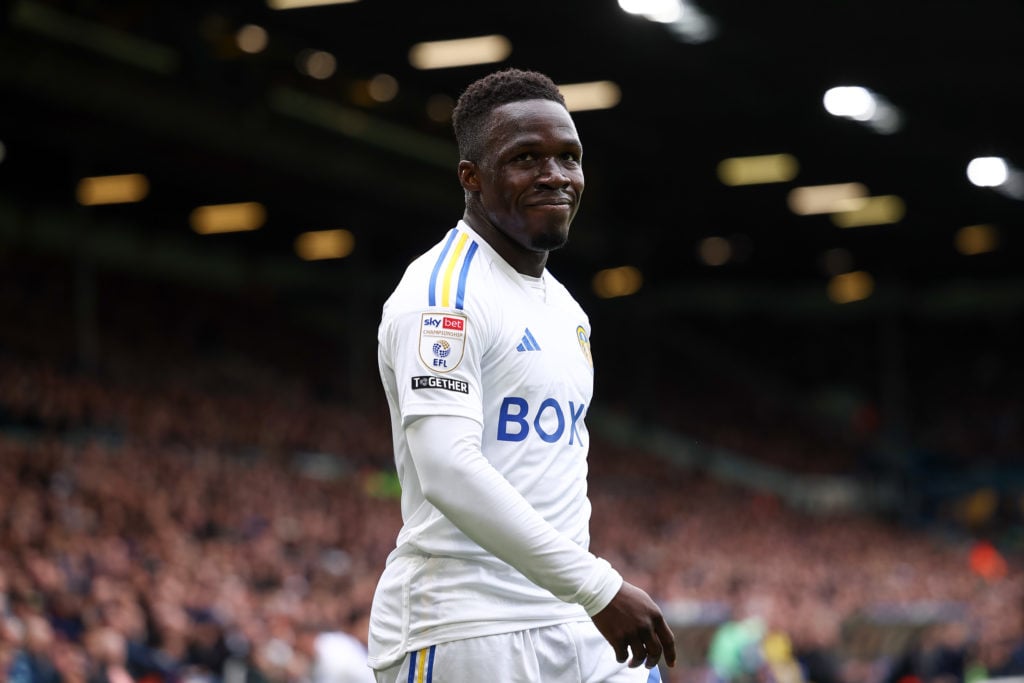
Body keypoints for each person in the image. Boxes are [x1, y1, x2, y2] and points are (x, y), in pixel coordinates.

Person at [368, 67, 676, 682]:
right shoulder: (443, 294)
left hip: (570, 617)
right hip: (468, 628)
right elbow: (449, 470)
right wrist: (598, 587)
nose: (555, 176)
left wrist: (585, 592)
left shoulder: (565, 308)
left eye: (569, 157)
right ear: (471, 177)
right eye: (526, 158)